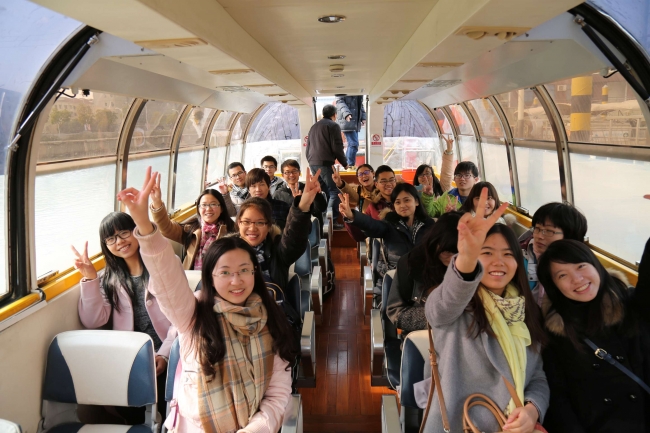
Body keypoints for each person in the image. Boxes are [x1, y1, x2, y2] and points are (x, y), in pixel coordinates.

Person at [116, 167, 298, 432]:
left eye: (244, 270)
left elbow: (277, 396)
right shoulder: (193, 316)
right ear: (210, 277)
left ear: (255, 273)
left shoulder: (272, 321)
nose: (236, 281)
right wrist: (144, 224)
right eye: (225, 272)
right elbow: (168, 279)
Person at [423, 188, 548, 433]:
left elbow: (537, 376)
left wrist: (532, 409)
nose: (498, 261)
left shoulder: (525, 310)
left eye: (508, 254)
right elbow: (437, 311)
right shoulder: (458, 307)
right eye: (487, 253)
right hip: (460, 425)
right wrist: (466, 259)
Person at [538, 240, 650, 433]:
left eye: (581, 266)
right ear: (554, 286)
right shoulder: (555, 334)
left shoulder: (631, 304)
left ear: (595, 265)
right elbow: (559, 401)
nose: (577, 279)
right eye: (562, 275)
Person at [73, 212, 174, 421]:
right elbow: (93, 320)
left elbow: (181, 319)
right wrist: (90, 278)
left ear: (136, 231)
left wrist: (164, 354)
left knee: (167, 398)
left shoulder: (163, 267)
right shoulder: (108, 279)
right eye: (111, 239)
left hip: (169, 350)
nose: (119, 242)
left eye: (123, 233)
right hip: (130, 357)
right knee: (122, 402)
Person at [339, 183, 435, 301]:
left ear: (416, 202)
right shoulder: (390, 224)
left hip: (424, 282)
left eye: (406, 200)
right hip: (395, 280)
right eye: (398, 202)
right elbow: (371, 225)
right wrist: (352, 216)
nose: (402, 205)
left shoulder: (429, 225)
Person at [386, 211, 461, 335]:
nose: (453, 259)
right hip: (424, 338)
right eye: (447, 252)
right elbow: (395, 311)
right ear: (434, 244)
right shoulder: (411, 264)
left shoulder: (476, 270)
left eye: (459, 253)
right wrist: (438, 317)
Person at [149, 174, 236, 270]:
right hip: (192, 277)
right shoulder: (190, 229)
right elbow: (166, 228)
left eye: (213, 204)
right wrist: (157, 202)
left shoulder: (232, 231)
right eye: (204, 205)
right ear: (198, 209)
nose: (208, 209)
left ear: (222, 208)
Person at [521, 202, 588, 306]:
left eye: (549, 231)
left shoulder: (581, 266)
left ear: (568, 236)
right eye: (537, 228)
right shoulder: (521, 254)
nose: (539, 236)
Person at [306, 104, 348, 229]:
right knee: (335, 191)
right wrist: (345, 163)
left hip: (313, 163)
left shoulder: (314, 126)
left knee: (324, 191)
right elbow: (337, 147)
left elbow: (308, 147)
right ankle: (331, 222)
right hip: (324, 163)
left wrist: (311, 161)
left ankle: (324, 219)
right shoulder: (333, 126)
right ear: (334, 114)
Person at [273, 159, 327, 226]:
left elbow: (321, 208)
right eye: (287, 172)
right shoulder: (278, 194)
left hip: (309, 227)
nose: (291, 175)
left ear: (299, 172)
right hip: (288, 228)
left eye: (294, 171)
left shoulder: (308, 189)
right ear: (282, 175)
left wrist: (317, 193)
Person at [335, 94, 367, 169]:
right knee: (353, 144)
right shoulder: (343, 91)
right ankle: (350, 165)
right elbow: (339, 102)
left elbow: (360, 105)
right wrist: (346, 114)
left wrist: (363, 117)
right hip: (347, 121)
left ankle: (348, 164)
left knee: (353, 144)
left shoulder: (358, 92)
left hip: (355, 122)